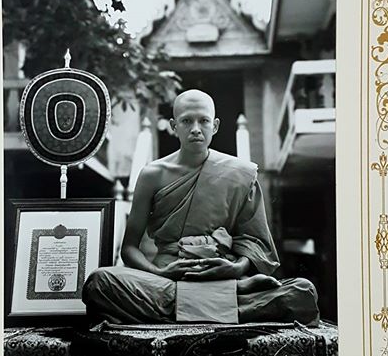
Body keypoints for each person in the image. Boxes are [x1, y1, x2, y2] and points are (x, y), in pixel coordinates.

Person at [82, 89, 319, 326]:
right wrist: (161, 273)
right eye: (187, 121)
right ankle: (237, 300)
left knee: (302, 290)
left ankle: (207, 300)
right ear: (174, 126)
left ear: (215, 126)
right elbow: (129, 248)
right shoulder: (152, 175)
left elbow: (255, 242)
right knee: (99, 283)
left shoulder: (240, 174)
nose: (196, 128)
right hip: (169, 279)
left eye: (204, 121)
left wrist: (235, 269)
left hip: (221, 275)